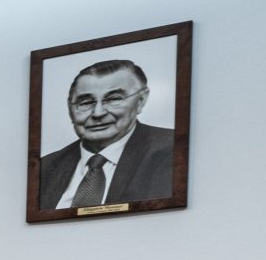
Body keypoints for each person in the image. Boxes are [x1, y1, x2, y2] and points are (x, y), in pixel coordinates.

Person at [35, 57, 175, 210]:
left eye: (114, 99)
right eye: (86, 102)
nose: (98, 113)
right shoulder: (44, 168)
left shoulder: (172, 151)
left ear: (140, 101)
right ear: (70, 108)